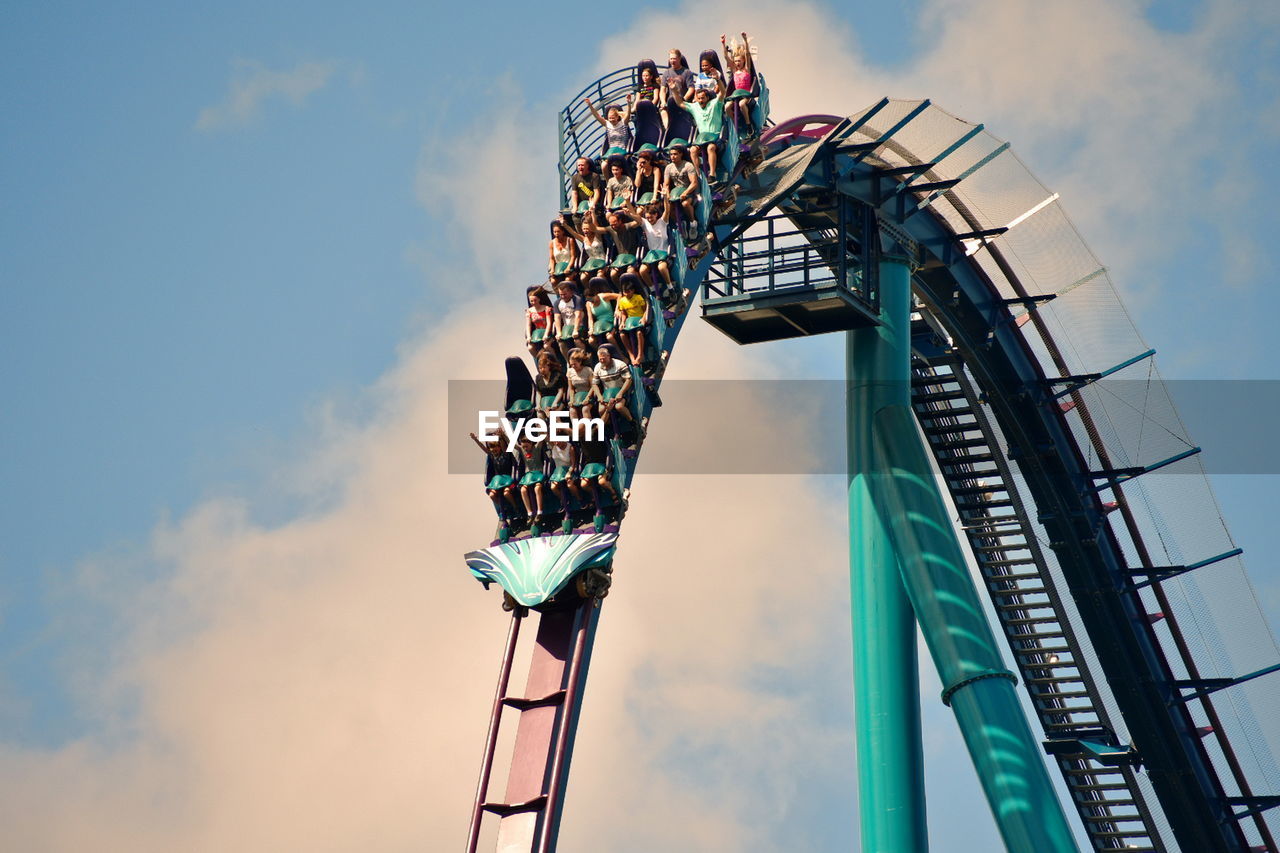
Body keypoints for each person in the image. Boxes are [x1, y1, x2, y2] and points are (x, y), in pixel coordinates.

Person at [672, 74, 727, 181]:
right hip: (702, 139)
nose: (701, 100)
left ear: (707, 98)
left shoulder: (715, 104)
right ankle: (698, 174)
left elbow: (723, 93)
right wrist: (674, 90)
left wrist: (718, 79)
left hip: (715, 137)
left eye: (703, 98)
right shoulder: (694, 107)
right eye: (699, 98)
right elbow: (680, 103)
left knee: (710, 148)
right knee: (692, 149)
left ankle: (712, 174)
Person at [619, 201, 675, 302]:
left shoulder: (662, 222)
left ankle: (670, 288)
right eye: (647, 217)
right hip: (652, 255)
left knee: (661, 267)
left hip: (663, 252)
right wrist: (627, 201)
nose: (649, 220)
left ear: (656, 215)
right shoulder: (645, 223)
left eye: (651, 217)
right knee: (642, 270)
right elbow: (635, 216)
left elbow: (667, 210)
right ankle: (653, 290)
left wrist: (665, 197)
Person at [470, 431, 523, 524]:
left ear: (499, 447)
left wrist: (501, 436)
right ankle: (504, 509)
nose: (493, 449)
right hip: (497, 482)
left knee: (506, 493)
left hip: (508, 481)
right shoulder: (492, 456)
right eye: (491, 447)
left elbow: (504, 445)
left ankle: (515, 507)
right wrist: (475, 440)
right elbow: (483, 448)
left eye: (495, 447)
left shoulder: (506, 454)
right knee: (492, 495)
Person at [593, 344, 637, 433]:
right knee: (601, 409)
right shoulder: (597, 367)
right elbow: (595, 384)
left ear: (609, 356)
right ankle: (610, 427)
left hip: (621, 390)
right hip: (607, 393)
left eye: (603, 358)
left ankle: (632, 421)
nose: (602, 360)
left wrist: (621, 393)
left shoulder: (619, 364)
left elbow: (628, 380)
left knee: (619, 407)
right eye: (600, 359)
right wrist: (599, 396)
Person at [558, 212, 609, 286]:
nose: (585, 231)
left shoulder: (597, 236)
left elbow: (595, 226)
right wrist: (564, 225)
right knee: (583, 277)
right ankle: (589, 292)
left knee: (600, 276)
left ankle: (605, 288)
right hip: (591, 262)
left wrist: (592, 213)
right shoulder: (584, 239)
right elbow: (573, 233)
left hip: (602, 261)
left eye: (587, 229)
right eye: (584, 229)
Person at [721, 32, 757, 135]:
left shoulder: (747, 70)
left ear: (743, 61)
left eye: (739, 61)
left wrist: (745, 40)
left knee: (741, 104)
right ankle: (734, 124)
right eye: (735, 61)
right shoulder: (734, 71)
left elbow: (747, 54)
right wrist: (723, 43)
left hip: (745, 95)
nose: (737, 63)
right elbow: (725, 57)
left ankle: (748, 124)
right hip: (735, 95)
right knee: (727, 106)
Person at [612, 274, 651, 366]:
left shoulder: (638, 297)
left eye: (628, 292)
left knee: (639, 333)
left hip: (639, 319)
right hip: (629, 321)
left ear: (632, 290)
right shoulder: (623, 300)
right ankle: (631, 355)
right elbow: (624, 313)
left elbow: (646, 309)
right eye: (625, 292)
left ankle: (640, 354)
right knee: (622, 334)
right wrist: (622, 322)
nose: (626, 294)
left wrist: (644, 318)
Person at [598, 207, 643, 287]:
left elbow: (639, 222)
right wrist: (590, 219)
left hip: (632, 257)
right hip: (620, 259)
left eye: (615, 223)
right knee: (613, 274)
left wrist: (630, 215)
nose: (613, 226)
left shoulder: (628, 226)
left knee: (630, 272)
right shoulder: (611, 229)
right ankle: (622, 290)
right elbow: (596, 229)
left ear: (620, 221)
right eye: (611, 224)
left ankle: (641, 288)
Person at [546, 432, 583, 526]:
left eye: (558, 440)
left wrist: (569, 473)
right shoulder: (553, 445)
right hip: (558, 472)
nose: (556, 443)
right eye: (554, 441)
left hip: (569, 470)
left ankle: (580, 500)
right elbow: (546, 436)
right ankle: (564, 500)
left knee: (570, 485)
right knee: (553, 487)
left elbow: (573, 464)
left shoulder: (570, 448)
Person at [516, 433, 550, 521]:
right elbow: (512, 444)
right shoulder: (522, 450)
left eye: (527, 445)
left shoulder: (537, 448)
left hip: (538, 473)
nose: (525, 448)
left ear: (531, 443)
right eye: (523, 446)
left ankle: (539, 512)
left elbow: (542, 439)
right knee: (523, 490)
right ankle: (530, 513)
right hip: (528, 475)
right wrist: (503, 435)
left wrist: (542, 430)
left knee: (537, 488)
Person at [660, 49, 695, 131]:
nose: (672, 61)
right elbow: (663, 90)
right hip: (670, 102)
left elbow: (691, 88)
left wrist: (684, 99)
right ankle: (668, 130)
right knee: (663, 111)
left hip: (682, 101)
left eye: (674, 58)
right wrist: (663, 101)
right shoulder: (666, 73)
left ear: (679, 58)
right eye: (671, 59)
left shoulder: (687, 72)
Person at [553, 280, 588, 362]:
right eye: (561, 294)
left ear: (571, 292)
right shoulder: (557, 303)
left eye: (565, 294)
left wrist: (575, 330)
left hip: (578, 325)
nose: (563, 296)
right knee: (561, 343)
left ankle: (583, 359)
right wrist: (558, 332)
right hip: (567, 327)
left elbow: (578, 315)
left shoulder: (576, 300)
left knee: (577, 340)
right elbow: (557, 318)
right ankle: (569, 361)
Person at [584, 278, 620, 351]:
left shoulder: (603, 296)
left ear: (595, 295)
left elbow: (619, 296)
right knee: (591, 341)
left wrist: (617, 309)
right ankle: (602, 353)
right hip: (599, 324)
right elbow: (590, 318)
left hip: (610, 321)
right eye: (588, 300)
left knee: (609, 337)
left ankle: (619, 353)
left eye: (591, 299)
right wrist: (591, 328)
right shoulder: (588, 304)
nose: (591, 302)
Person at [564, 346, 596, 419]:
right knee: (572, 411)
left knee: (585, 409)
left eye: (575, 364)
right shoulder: (570, 371)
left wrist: (588, 398)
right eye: (571, 364)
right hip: (577, 396)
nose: (573, 366)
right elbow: (571, 388)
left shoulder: (588, 370)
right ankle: (576, 429)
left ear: (580, 362)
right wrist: (572, 399)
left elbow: (593, 386)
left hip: (588, 395)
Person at [525, 287, 554, 359]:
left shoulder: (546, 309)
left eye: (535, 300)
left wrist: (546, 334)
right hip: (536, 333)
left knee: (546, 346)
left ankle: (555, 360)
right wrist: (529, 336)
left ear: (539, 299)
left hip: (547, 331)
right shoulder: (529, 311)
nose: (533, 303)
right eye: (531, 301)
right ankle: (539, 361)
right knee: (530, 348)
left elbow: (549, 323)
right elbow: (528, 325)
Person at [533, 351, 566, 417]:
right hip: (544, 403)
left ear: (549, 366)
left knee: (552, 416)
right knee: (539, 415)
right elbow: (538, 393)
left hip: (557, 402)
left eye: (544, 367)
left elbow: (561, 391)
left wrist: (555, 403)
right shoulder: (538, 378)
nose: (542, 370)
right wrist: (538, 405)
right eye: (540, 368)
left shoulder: (558, 376)